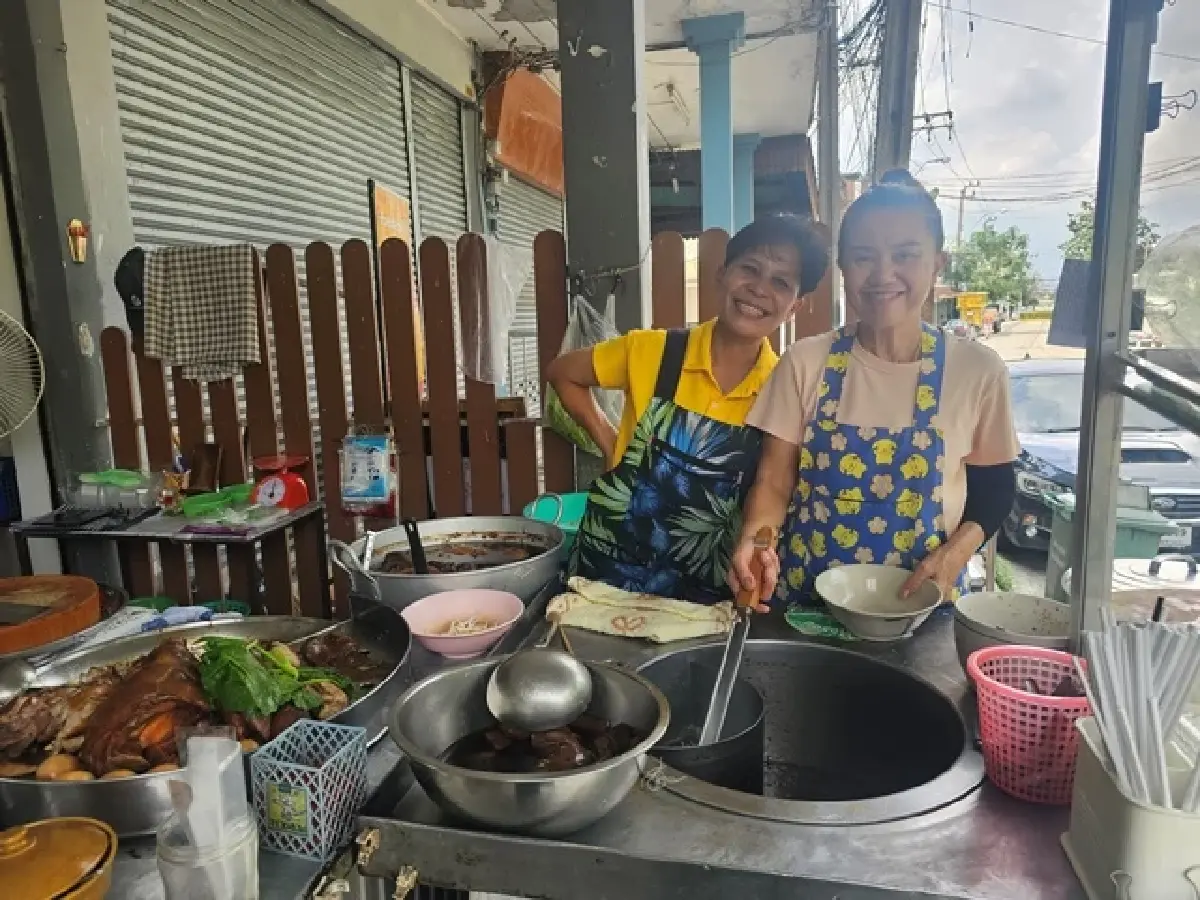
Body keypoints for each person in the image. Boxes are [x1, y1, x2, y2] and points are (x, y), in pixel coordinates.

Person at [728, 171, 1019, 610]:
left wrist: (956, 554)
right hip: (807, 610)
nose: (884, 274)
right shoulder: (805, 363)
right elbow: (773, 480)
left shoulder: (977, 371)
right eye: (864, 257)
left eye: (905, 255)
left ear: (937, 263)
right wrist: (757, 539)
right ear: (843, 266)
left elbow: (994, 490)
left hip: (921, 611)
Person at [546, 215, 830, 603]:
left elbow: (774, 489)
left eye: (780, 282)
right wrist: (610, 442)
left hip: (702, 598)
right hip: (604, 577)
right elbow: (563, 372)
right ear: (722, 274)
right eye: (749, 269)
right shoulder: (650, 350)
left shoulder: (782, 388)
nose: (759, 288)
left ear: (794, 307)